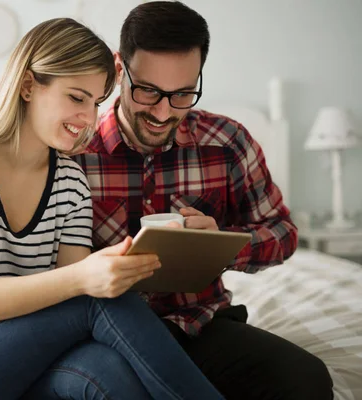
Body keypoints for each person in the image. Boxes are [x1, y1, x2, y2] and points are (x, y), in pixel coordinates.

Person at [0, 17, 224, 400]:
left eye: (96, 104)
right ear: (28, 85)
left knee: (104, 369)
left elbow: (65, 306)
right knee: (94, 296)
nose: (89, 119)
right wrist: (87, 278)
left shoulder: (70, 183)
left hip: (18, 358)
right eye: (77, 98)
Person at [71, 2, 334, 399]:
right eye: (148, 91)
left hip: (198, 326)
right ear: (119, 70)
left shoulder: (227, 142)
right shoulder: (73, 148)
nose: (163, 112)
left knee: (307, 379)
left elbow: (283, 233)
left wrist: (223, 243)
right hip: (103, 340)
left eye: (182, 94)